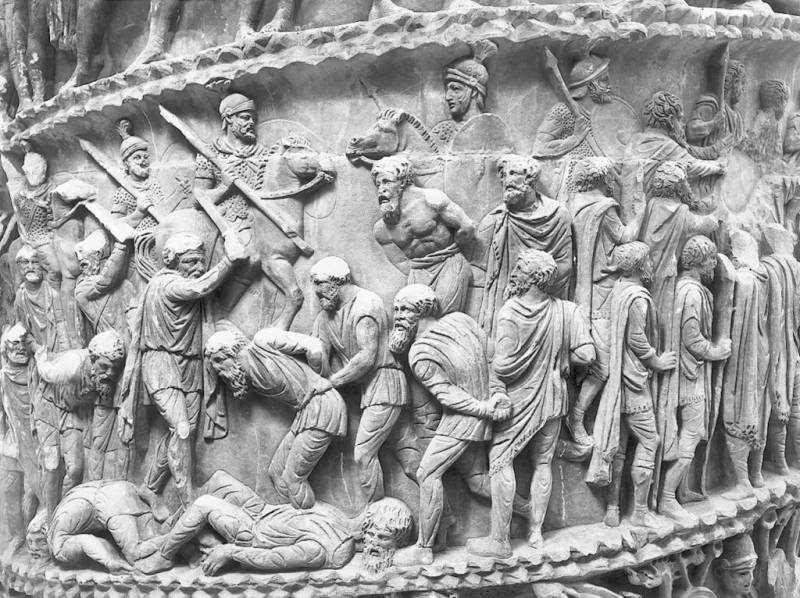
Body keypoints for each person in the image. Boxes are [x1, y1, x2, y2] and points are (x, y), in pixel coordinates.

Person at [466, 250, 594, 558]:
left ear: (534, 277)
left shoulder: (510, 312)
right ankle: (536, 532)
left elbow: (503, 365)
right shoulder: (567, 311)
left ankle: (500, 540)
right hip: (553, 397)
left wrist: (487, 354)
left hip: (516, 400)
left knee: (500, 462)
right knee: (542, 463)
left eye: (520, 270)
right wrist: (561, 357)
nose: (515, 274)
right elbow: (587, 355)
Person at [119, 231, 246, 504]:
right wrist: (228, 261)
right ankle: (188, 499)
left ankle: (150, 487)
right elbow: (198, 288)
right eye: (190, 262)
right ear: (174, 262)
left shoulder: (180, 281)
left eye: (201, 261)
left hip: (189, 365)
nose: (198, 267)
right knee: (181, 428)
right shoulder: (166, 284)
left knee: (182, 431)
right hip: (162, 365)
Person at [388, 284, 511, 566]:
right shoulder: (461, 320)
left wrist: (485, 406)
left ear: (423, 309)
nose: (398, 316)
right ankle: (530, 513)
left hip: (461, 420)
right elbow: (493, 358)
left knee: (427, 474)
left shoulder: (420, 352)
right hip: (481, 413)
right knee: (479, 481)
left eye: (405, 309)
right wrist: (496, 394)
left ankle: (424, 548)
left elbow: (447, 394)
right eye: (396, 310)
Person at [310, 256, 416, 503]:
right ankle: (444, 514)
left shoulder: (366, 304)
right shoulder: (325, 317)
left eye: (321, 284)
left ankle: (376, 513)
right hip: (369, 391)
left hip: (385, 385)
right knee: (410, 460)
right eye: (314, 285)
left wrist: (332, 382)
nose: (316, 292)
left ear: (339, 281)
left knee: (364, 455)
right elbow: (317, 354)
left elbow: (367, 357)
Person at [586, 242, 677, 528]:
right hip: (634, 382)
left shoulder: (617, 290)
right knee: (650, 441)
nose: (651, 264)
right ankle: (639, 512)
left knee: (621, 446)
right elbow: (636, 338)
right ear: (639, 266)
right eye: (648, 260)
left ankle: (613, 509)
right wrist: (657, 361)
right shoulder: (637, 297)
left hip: (618, 380)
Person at [203, 327, 347, 509]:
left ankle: (310, 521)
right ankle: (297, 513)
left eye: (219, 360)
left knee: (293, 478)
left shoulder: (263, 341)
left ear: (233, 352)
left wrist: (318, 380)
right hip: (306, 412)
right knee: (276, 473)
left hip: (323, 406)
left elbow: (315, 347)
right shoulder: (247, 375)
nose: (218, 370)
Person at [136, 470, 355, 575]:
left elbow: (272, 558)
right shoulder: (340, 525)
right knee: (219, 479)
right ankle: (184, 536)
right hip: (263, 512)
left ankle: (165, 555)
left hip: (252, 533)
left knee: (205, 503)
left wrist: (229, 552)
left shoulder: (317, 552)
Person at [569, 157, 643, 445]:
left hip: (583, 288)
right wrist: (641, 210)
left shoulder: (574, 205)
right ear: (603, 179)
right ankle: (576, 417)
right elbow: (626, 236)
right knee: (601, 367)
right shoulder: (603, 208)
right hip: (602, 293)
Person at [657, 236, 731, 526]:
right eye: (711, 259)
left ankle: (681, 490)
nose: (713, 265)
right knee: (691, 433)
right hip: (689, 378)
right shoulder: (692, 293)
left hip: (687, 374)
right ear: (699, 262)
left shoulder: (685, 288)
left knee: (690, 433)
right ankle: (667, 497)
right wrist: (717, 351)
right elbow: (692, 339)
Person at [476, 154, 572, 336]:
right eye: (504, 175)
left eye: (513, 173)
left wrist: (533, 285)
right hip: (503, 308)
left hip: (544, 308)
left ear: (530, 178)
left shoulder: (558, 216)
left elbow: (566, 265)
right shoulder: (495, 220)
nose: (507, 180)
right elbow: (479, 271)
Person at [371, 155, 475, 314]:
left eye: (387, 182)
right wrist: (418, 272)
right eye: (378, 184)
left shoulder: (431, 200)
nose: (381, 189)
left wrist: (452, 253)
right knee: (415, 320)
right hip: (418, 272)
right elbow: (401, 262)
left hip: (448, 264)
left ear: (402, 182)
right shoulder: (381, 229)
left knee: (443, 316)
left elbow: (466, 227)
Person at [25, 479, 165, 573]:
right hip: (123, 488)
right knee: (159, 532)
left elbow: (86, 541)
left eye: (38, 541)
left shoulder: (57, 545)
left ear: (45, 531)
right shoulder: (59, 511)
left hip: (110, 503)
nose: (34, 548)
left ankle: (175, 539)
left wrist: (110, 561)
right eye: (30, 542)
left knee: (135, 554)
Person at [0, 323, 38, 548]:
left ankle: (34, 539)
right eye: (15, 344)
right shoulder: (2, 377)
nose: (20, 348)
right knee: (10, 491)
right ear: (6, 348)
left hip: (35, 443)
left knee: (33, 492)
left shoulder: (36, 372)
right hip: (11, 444)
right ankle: (17, 536)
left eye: (24, 343)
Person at [73, 230, 135, 343]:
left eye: (85, 261)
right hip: (106, 346)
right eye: (81, 264)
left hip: (129, 343)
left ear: (98, 254)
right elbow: (105, 280)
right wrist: (121, 246)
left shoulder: (126, 286)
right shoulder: (81, 289)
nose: (81, 267)